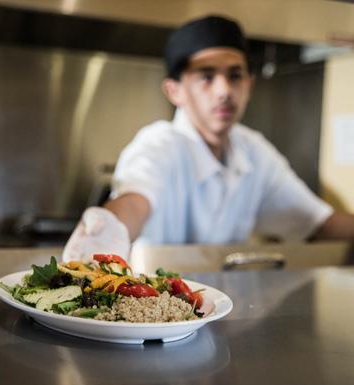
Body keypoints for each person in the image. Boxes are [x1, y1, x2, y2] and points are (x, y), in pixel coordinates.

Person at [63, 15, 354, 262]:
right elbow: (135, 201)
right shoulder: (158, 144)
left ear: (249, 85)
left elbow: (319, 222)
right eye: (206, 76)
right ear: (174, 91)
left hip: (229, 307)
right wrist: (108, 229)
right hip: (155, 309)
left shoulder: (254, 151)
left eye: (235, 75)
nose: (224, 90)